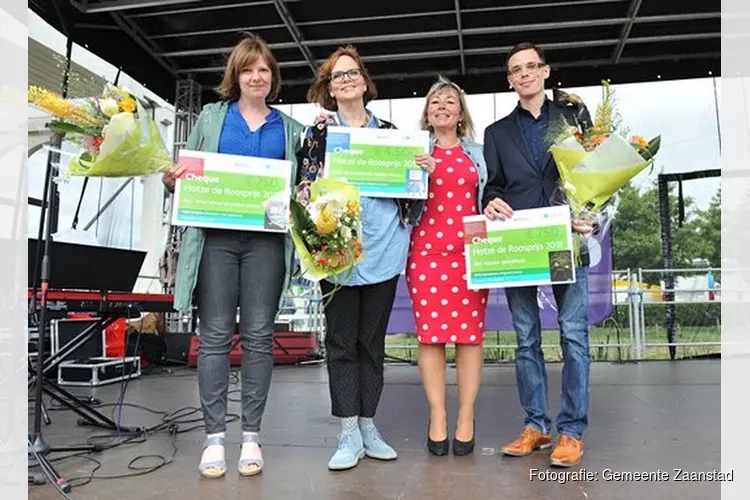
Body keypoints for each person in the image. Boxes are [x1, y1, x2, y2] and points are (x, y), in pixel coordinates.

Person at [162, 34, 304, 479]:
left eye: (264, 70)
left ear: (272, 77)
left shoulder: (290, 129)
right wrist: (174, 180)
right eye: (248, 69)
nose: (256, 77)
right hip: (216, 243)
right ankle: (214, 439)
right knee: (216, 336)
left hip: (266, 246)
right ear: (236, 76)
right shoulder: (211, 116)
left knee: (260, 337)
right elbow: (186, 176)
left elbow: (302, 188)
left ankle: (252, 436)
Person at [296, 45, 431, 471]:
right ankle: (348, 431)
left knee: (371, 344)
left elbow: (413, 198)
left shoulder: (392, 132)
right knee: (340, 342)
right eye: (339, 76)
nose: (348, 80)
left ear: (365, 82)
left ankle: (369, 424)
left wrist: (420, 172)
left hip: (384, 250)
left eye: (353, 73)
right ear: (328, 89)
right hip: (337, 253)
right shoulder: (317, 133)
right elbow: (302, 191)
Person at [482, 42, 594, 468]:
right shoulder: (496, 133)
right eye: (516, 69)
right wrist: (490, 202)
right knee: (526, 338)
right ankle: (536, 424)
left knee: (573, 336)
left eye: (532, 66)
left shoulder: (574, 119)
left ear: (546, 72)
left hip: (568, 240)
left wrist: (591, 216)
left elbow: (595, 177)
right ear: (509, 80)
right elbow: (493, 185)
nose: (524, 74)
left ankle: (571, 431)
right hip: (520, 245)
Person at [406, 77, 488, 456]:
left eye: (449, 101)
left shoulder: (478, 153)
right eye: (434, 101)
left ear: (460, 113)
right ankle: (437, 415)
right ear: (427, 113)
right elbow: (397, 198)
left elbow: (495, 192)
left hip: (472, 253)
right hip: (426, 254)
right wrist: (414, 173)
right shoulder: (412, 151)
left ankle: (466, 416)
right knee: (431, 336)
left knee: (469, 337)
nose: (441, 105)